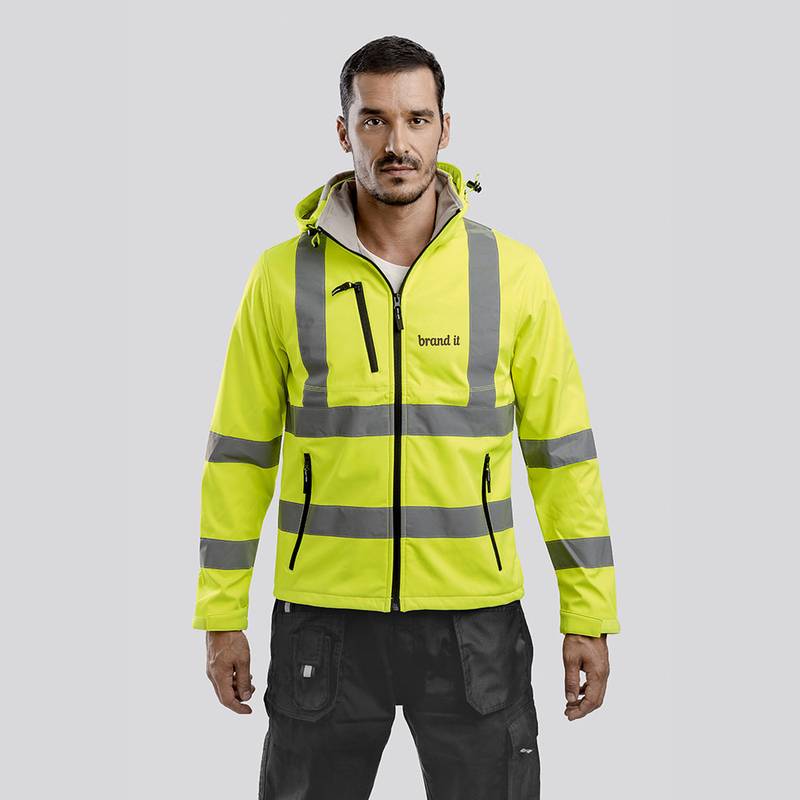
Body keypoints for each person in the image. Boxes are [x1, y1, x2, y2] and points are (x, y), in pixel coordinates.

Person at [192, 35, 620, 800]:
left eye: (417, 119)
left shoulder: (511, 272)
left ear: (445, 128)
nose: (398, 143)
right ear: (343, 131)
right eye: (375, 120)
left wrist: (588, 613)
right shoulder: (282, 277)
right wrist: (221, 616)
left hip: (474, 621)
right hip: (324, 619)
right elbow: (239, 458)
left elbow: (563, 457)